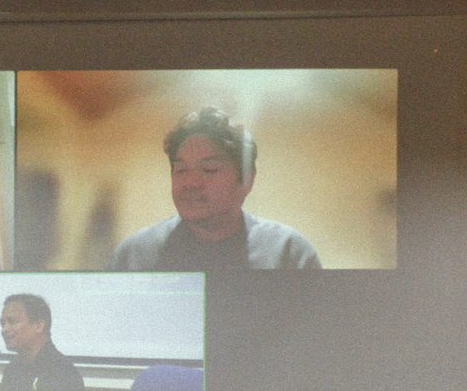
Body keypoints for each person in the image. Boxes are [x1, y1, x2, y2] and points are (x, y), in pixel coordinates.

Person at [108, 107, 321, 271]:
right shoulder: (134, 255)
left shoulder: (288, 252)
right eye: (180, 170)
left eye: (209, 170)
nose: (191, 182)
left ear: (247, 181)